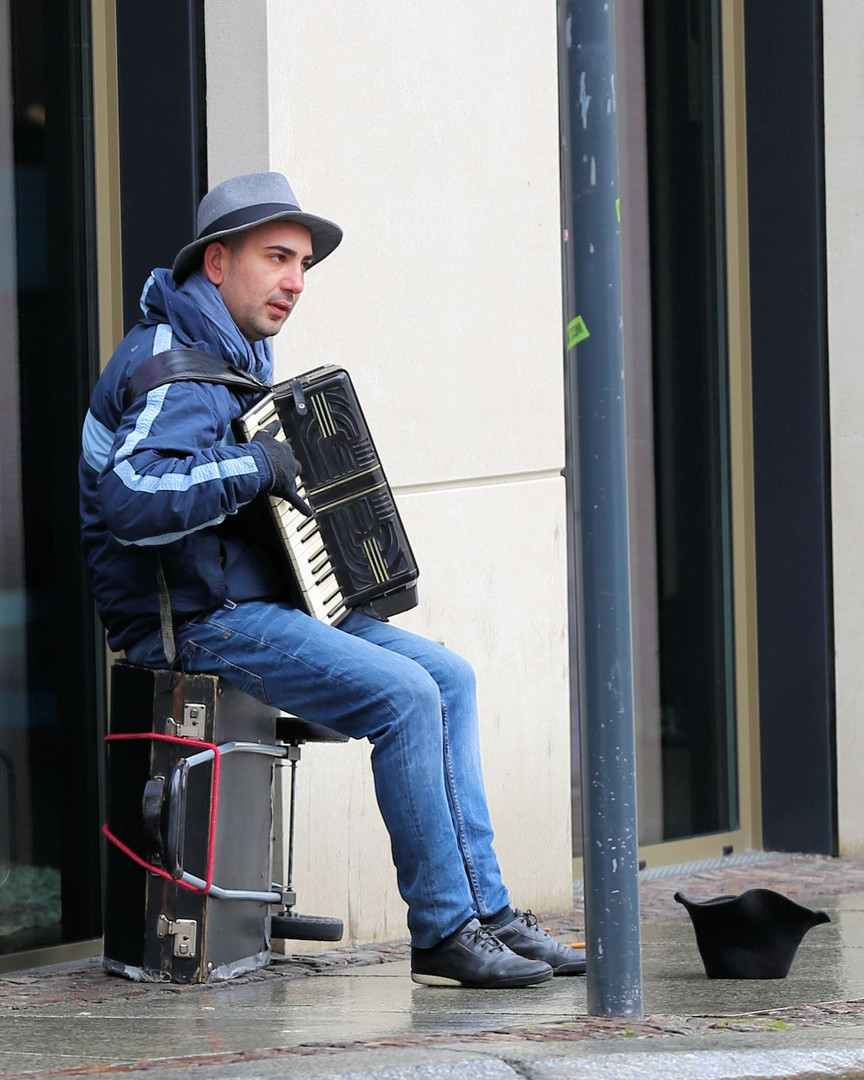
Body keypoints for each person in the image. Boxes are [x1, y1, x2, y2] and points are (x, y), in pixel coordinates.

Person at [79, 171, 586, 989]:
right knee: (405, 698)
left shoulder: (234, 356)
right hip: (199, 622)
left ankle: (490, 916)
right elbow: (131, 498)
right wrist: (257, 465)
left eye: (304, 265)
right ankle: (444, 930)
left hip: (260, 601)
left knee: (448, 677)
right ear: (217, 262)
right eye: (277, 258)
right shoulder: (168, 367)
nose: (294, 282)